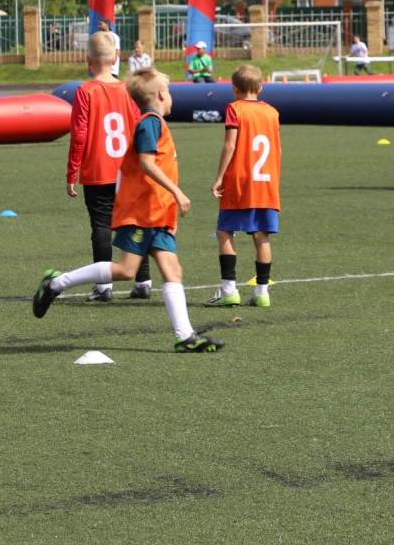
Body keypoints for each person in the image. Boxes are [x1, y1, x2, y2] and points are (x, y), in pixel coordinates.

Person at [32, 67, 224, 354]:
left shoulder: (156, 122)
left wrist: (169, 206)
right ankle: (56, 284)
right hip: (141, 212)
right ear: (161, 94)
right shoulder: (150, 123)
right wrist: (177, 191)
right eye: (169, 90)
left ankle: (185, 337)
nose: (171, 95)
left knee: (173, 270)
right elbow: (146, 164)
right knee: (125, 270)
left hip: (157, 214)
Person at [65, 32, 154, 302]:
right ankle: (143, 280)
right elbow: (141, 128)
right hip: (129, 171)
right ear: (116, 58)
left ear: (88, 61)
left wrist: (72, 171)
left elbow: (79, 135)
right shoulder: (129, 90)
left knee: (101, 225)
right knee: (134, 222)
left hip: (98, 169)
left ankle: (104, 286)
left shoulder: (85, 91)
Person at [206, 64, 280, 307]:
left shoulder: (234, 108)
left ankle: (229, 290)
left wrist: (219, 177)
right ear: (260, 88)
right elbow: (277, 150)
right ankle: (262, 293)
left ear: (234, 88)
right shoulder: (272, 112)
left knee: (225, 231)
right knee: (261, 235)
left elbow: (230, 145)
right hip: (266, 183)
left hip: (240, 181)